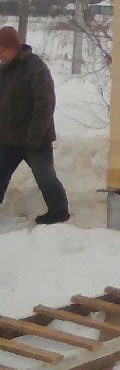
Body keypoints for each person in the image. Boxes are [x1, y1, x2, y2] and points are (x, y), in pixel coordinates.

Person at [0, 26, 70, 224]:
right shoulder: (4, 70)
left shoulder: (35, 68)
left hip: (35, 139)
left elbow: (45, 104)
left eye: (1, 50)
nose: (0, 56)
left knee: (45, 177)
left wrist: (35, 136)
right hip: (8, 139)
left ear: (13, 47)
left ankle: (59, 212)